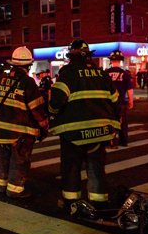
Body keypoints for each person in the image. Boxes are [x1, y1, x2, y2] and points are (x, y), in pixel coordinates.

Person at [49, 39, 121, 211]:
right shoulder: (101, 74)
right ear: (88, 56)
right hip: (100, 131)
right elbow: (116, 101)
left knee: (71, 167)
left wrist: (52, 113)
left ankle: (71, 202)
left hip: (73, 133)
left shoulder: (67, 73)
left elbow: (57, 100)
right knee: (96, 167)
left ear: (71, 56)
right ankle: (99, 202)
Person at [0, 47, 48, 198]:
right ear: (28, 66)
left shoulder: (0, 80)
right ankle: (14, 190)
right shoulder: (28, 82)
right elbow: (37, 109)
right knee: (19, 161)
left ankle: (1, 186)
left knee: (3, 158)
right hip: (21, 134)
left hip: (1, 131)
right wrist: (44, 127)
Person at [106, 50, 134, 147]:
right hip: (121, 102)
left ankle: (111, 141)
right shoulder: (125, 74)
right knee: (123, 122)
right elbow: (129, 89)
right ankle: (123, 141)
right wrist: (131, 101)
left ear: (111, 61)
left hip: (108, 103)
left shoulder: (105, 73)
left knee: (109, 122)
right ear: (120, 61)